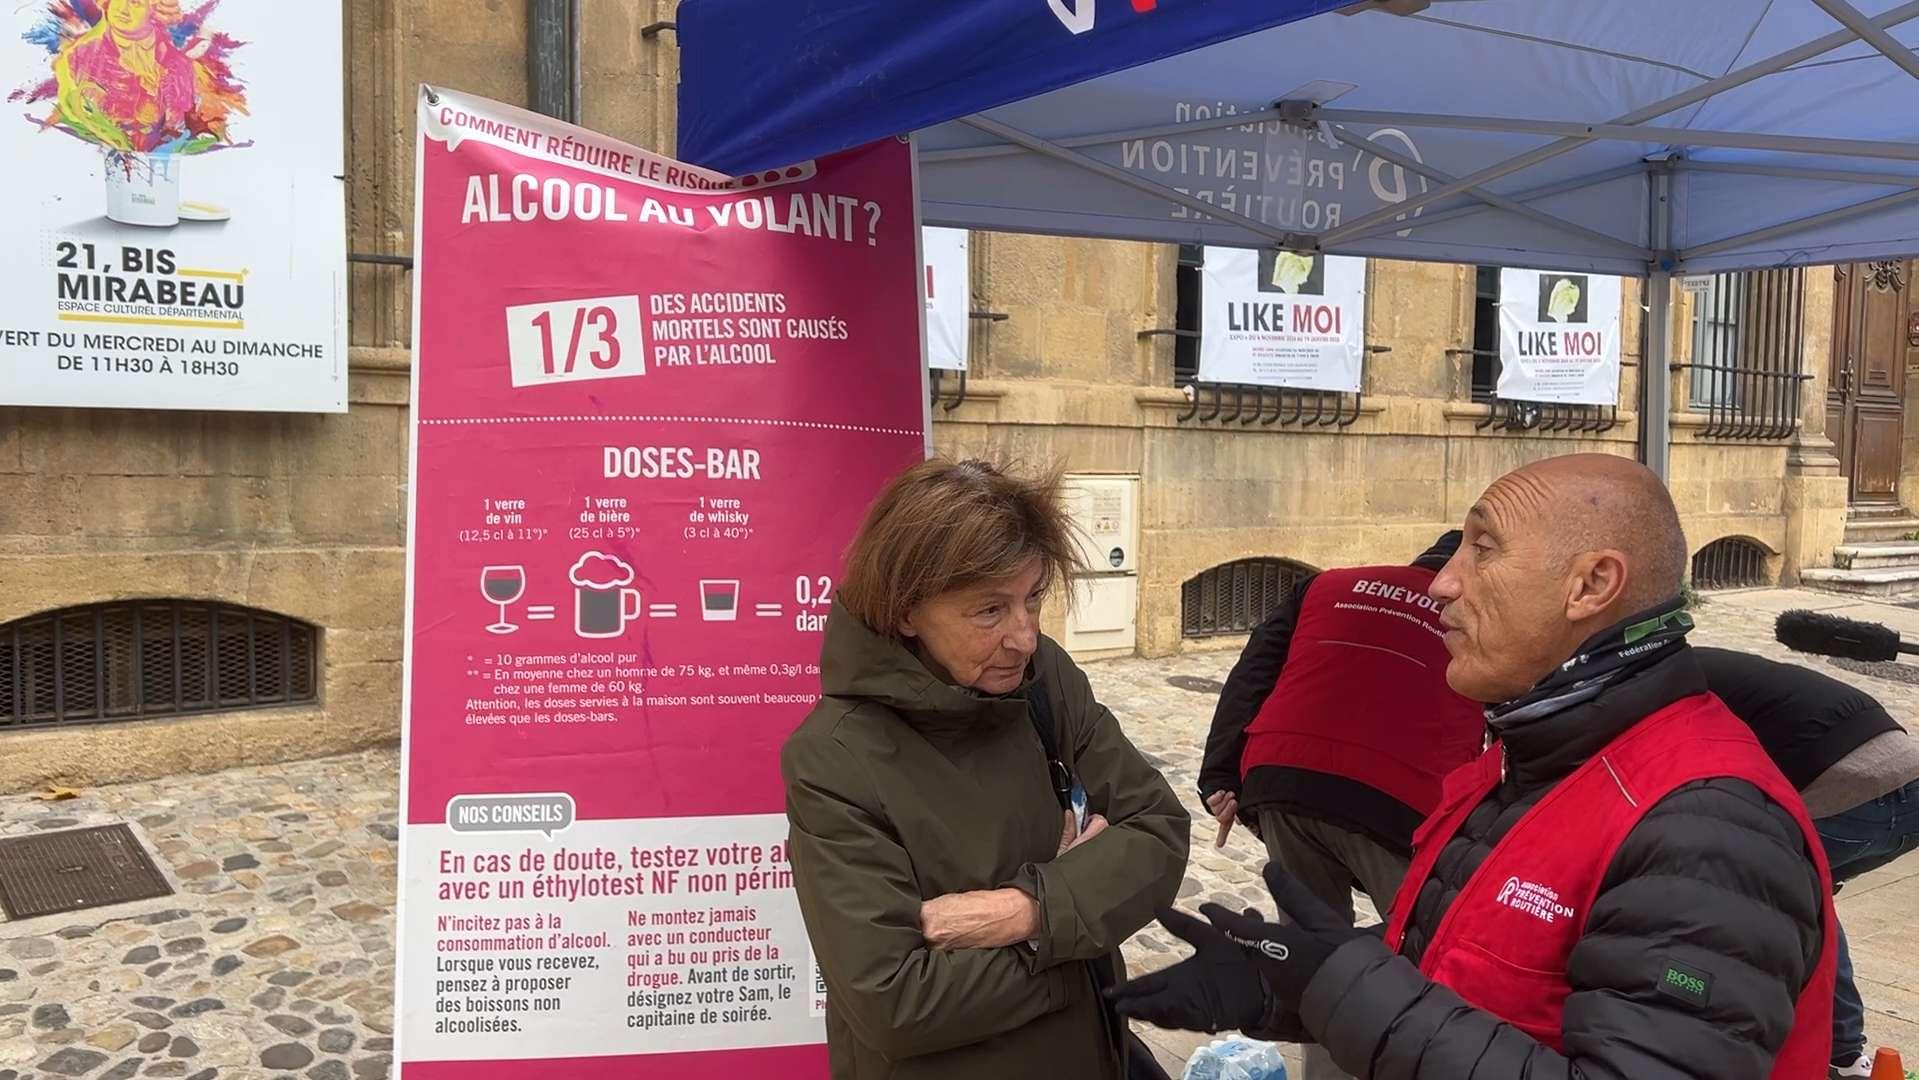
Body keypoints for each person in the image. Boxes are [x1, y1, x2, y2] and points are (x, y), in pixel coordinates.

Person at [1112, 453, 1837, 1079]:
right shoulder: (1529, 757)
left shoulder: (1705, 829)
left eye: (1481, 549)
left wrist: (1342, 986)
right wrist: (1285, 981)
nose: (1440, 584)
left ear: (1589, 586)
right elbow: (1472, 972)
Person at [782, 458, 1189, 1079]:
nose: (1024, 637)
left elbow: (1158, 828)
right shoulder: (834, 759)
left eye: (1034, 598)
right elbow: (896, 1002)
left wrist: (1026, 912)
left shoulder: (1044, 680)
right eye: (990, 611)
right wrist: (1083, 916)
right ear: (905, 612)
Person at [1195, 532, 1483, 1079]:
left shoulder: (1328, 585)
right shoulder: (1474, 611)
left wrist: (1220, 774)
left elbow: (1252, 671)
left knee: (1317, 959)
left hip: (1284, 778)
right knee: (1438, 957)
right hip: (1400, 800)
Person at [1696, 646, 1919, 1079]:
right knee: (1810, 903)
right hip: (1911, 788)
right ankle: (1845, 1054)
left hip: (1849, 794)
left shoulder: (1665, 689)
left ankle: (1724, 1037)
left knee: (1733, 887)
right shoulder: (1701, 666)